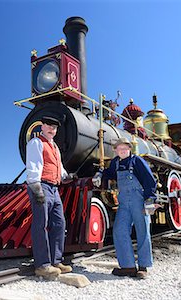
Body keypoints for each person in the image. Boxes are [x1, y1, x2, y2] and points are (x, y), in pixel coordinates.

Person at [92, 137, 160, 279]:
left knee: (142, 232)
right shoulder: (116, 163)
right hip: (123, 202)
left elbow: (150, 180)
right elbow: (110, 173)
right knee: (119, 230)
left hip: (138, 201)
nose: (122, 151)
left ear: (129, 149)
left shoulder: (137, 161)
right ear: (115, 150)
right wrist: (100, 173)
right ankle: (128, 266)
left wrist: (150, 199)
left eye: (125, 148)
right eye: (119, 148)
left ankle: (143, 266)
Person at [26, 115, 76, 278]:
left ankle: (56, 261)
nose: (51, 129)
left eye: (54, 127)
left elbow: (59, 169)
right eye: (48, 126)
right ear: (42, 127)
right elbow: (34, 165)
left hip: (54, 188)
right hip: (42, 186)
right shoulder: (36, 143)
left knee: (59, 223)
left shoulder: (54, 147)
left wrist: (67, 176)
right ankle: (42, 265)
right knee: (41, 223)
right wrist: (36, 188)